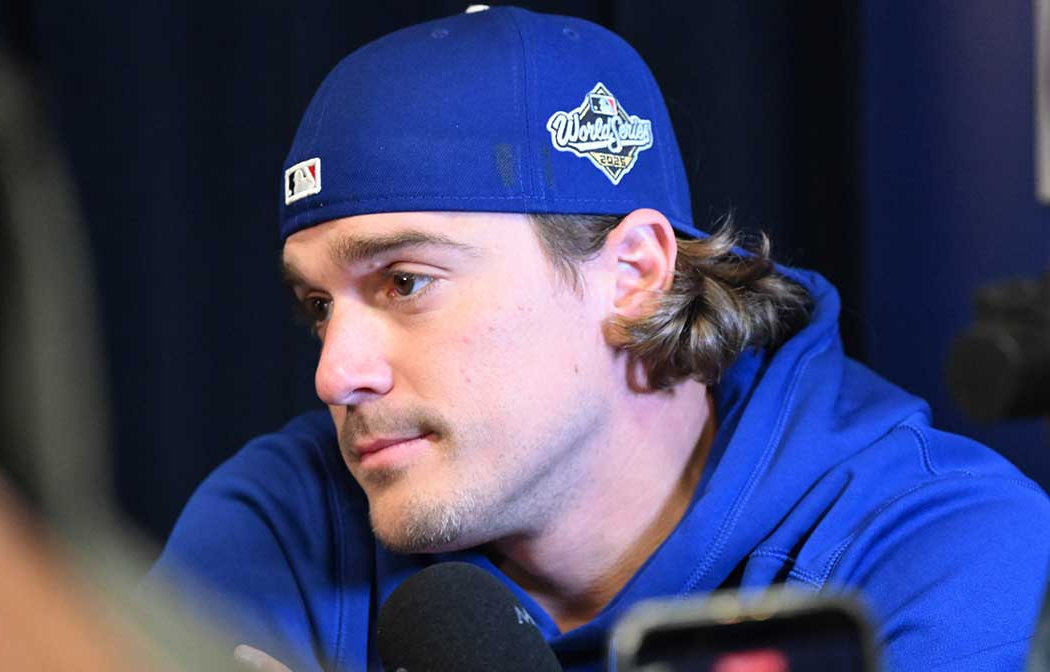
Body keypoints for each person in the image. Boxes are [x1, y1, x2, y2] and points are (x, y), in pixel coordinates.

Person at [149, 7, 1050, 671]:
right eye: (318, 307)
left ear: (632, 275)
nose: (335, 373)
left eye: (406, 282)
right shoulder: (289, 522)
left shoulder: (934, 548)